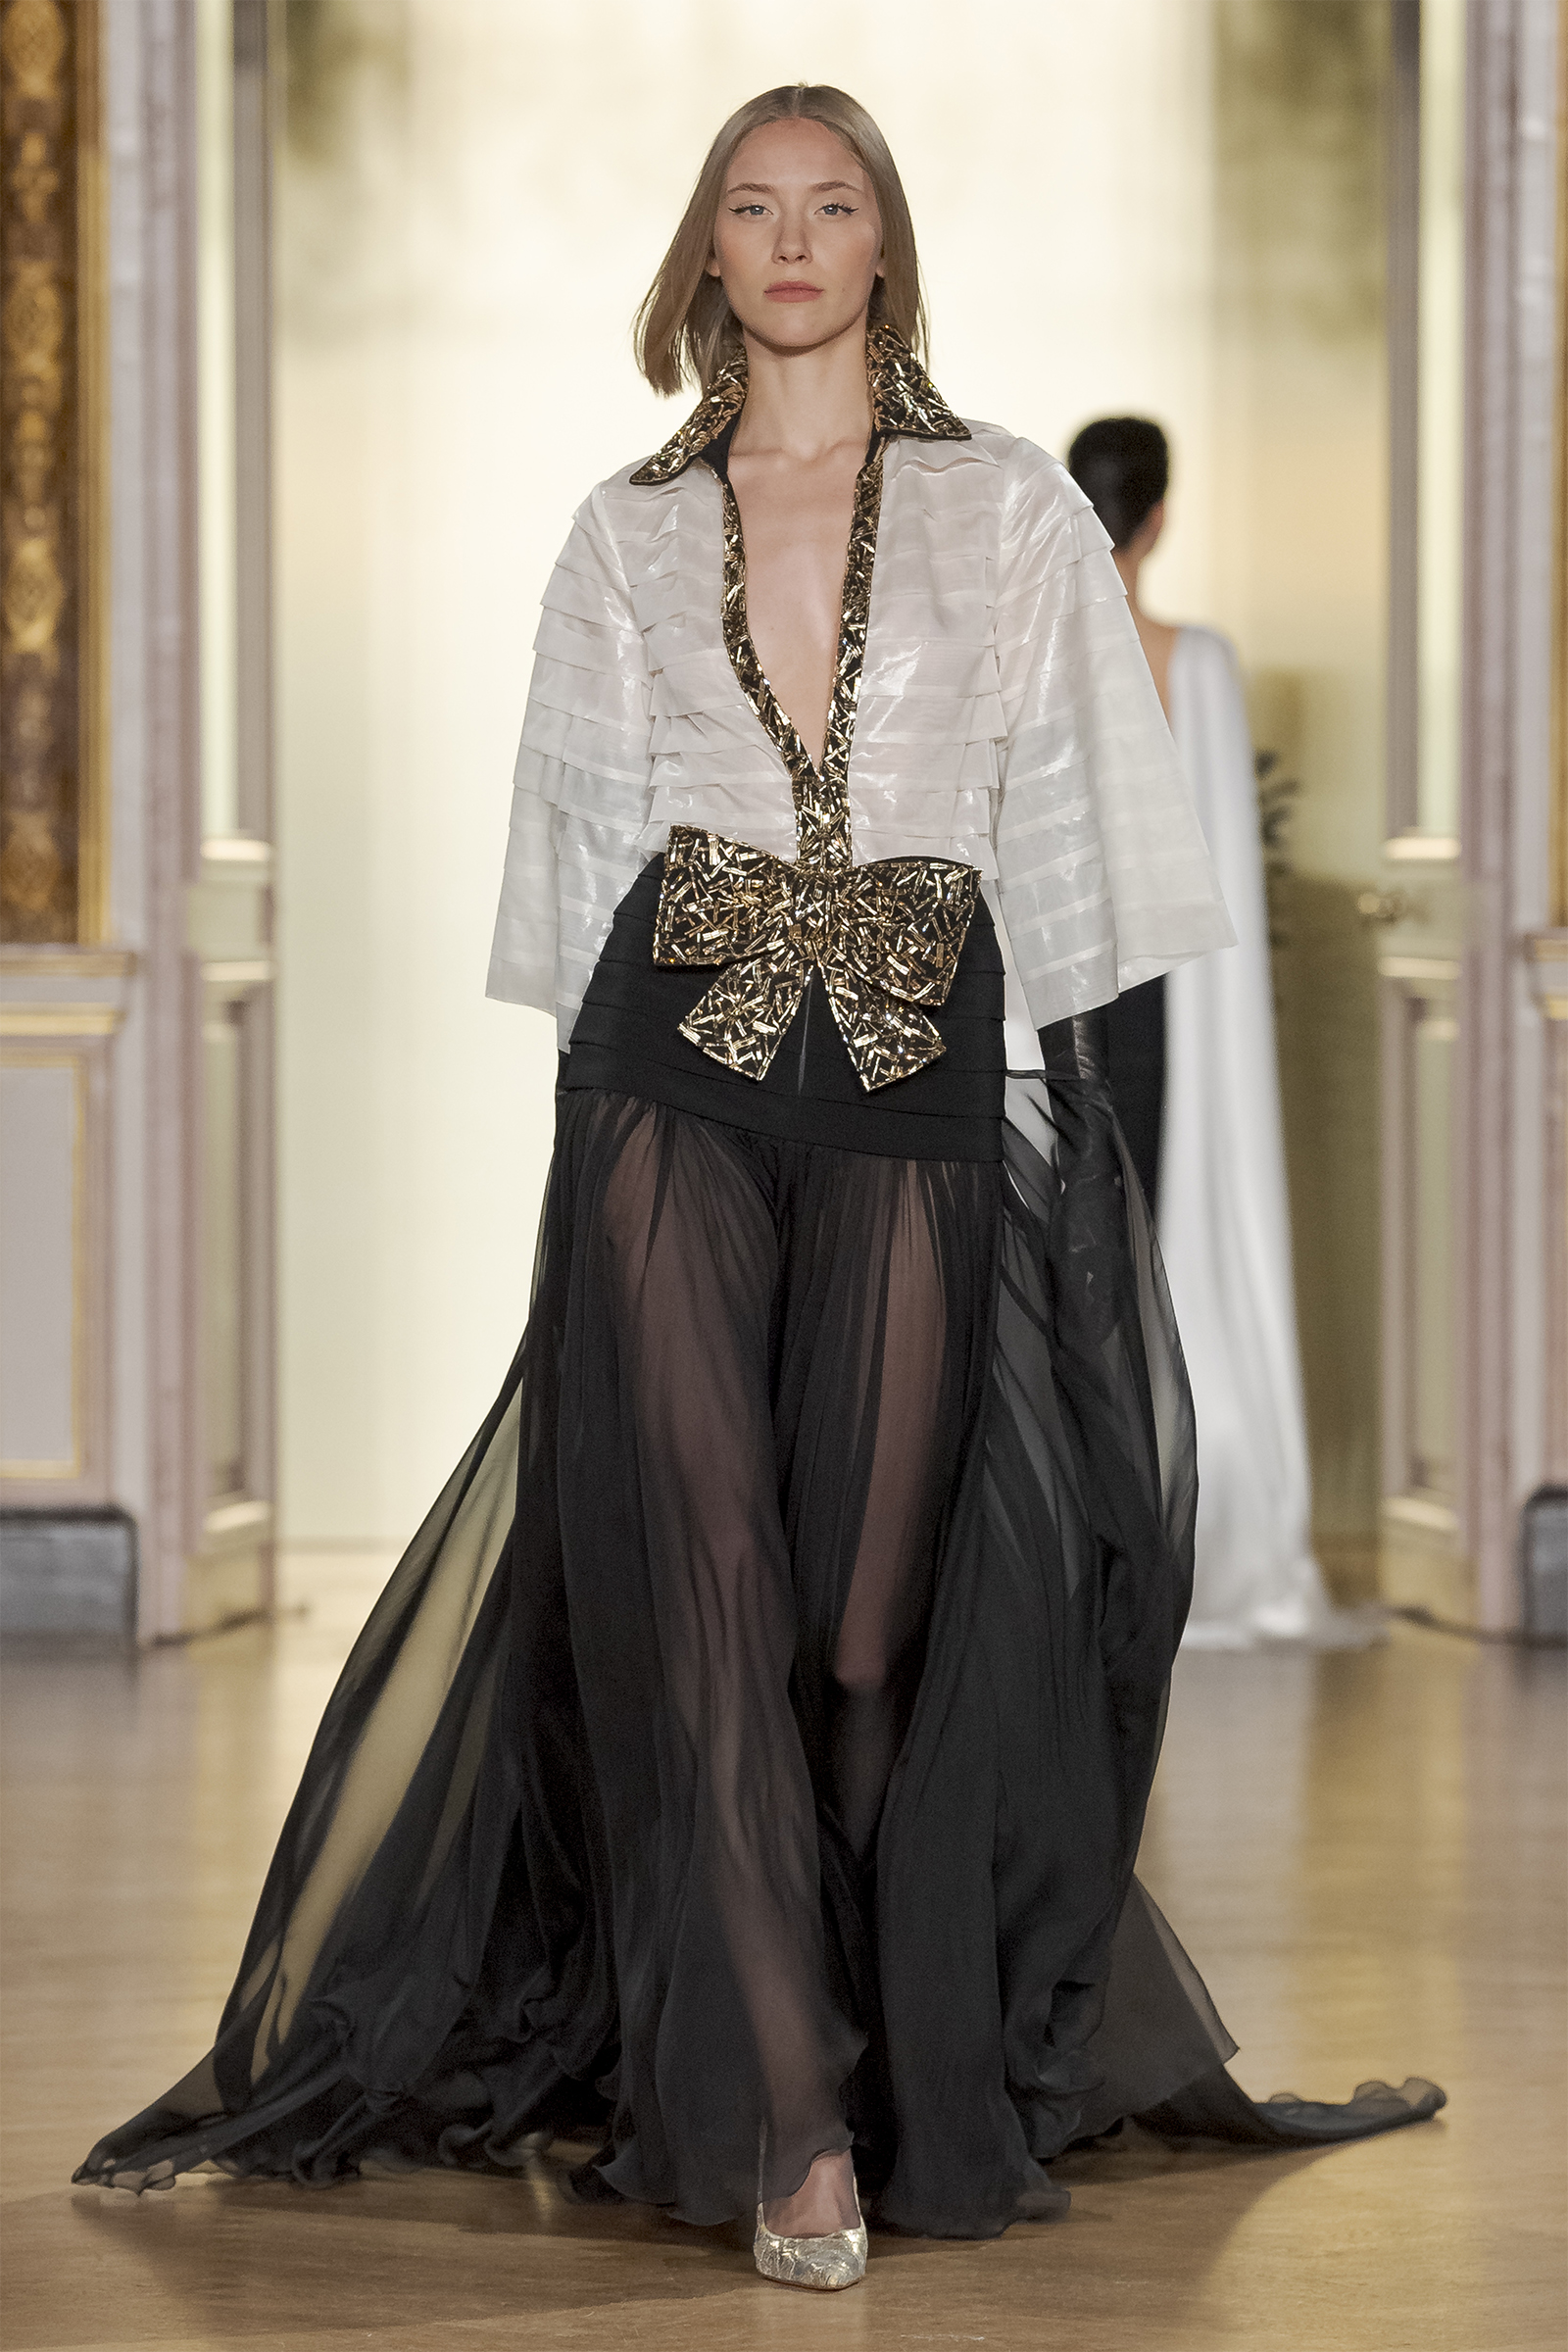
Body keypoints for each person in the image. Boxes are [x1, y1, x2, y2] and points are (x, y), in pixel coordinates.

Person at [75, 88, 1439, 2292]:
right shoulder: (626, 532)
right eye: (752, 205)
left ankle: (866, 2043)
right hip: (670, 1069)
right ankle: (790, 2121)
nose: (793, 240)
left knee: (862, 1622)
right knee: (701, 1579)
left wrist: (1070, 1134)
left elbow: (1071, 841)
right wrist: (589, 1140)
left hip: (917, 1063)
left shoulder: (1009, 511)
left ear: (884, 246)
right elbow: (586, 858)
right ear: (706, 251)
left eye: (832, 205)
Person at [1068, 417, 1373, 1649]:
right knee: (1153, 1233)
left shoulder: (1028, 651)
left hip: (1060, 992)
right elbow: (1212, 875)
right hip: (1162, 1000)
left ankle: (1077, 1527)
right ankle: (1166, 1507)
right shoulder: (1191, 664)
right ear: (1157, 518)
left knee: (1075, 1242)